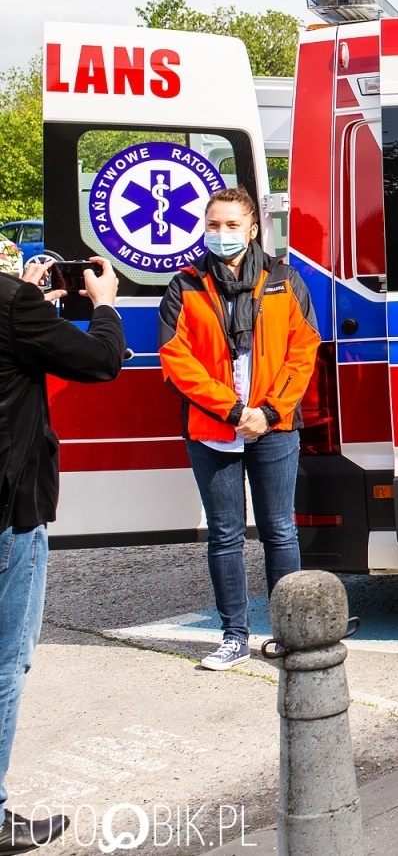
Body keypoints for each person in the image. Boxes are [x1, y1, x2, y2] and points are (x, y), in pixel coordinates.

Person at [159, 188, 320, 672]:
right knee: (225, 535)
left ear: (253, 230)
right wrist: (232, 410)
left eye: (232, 225)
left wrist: (269, 412)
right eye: (214, 224)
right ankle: (233, 636)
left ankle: (289, 634)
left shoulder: (284, 279)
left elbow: (303, 350)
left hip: (274, 426)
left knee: (279, 531)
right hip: (213, 429)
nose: (222, 233)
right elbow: (176, 360)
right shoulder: (184, 285)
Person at [1, 257, 123, 851]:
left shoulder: (16, 308)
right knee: (5, 664)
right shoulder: (12, 308)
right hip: (9, 513)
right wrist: (102, 302)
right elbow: (101, 361)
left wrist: (28, 302)